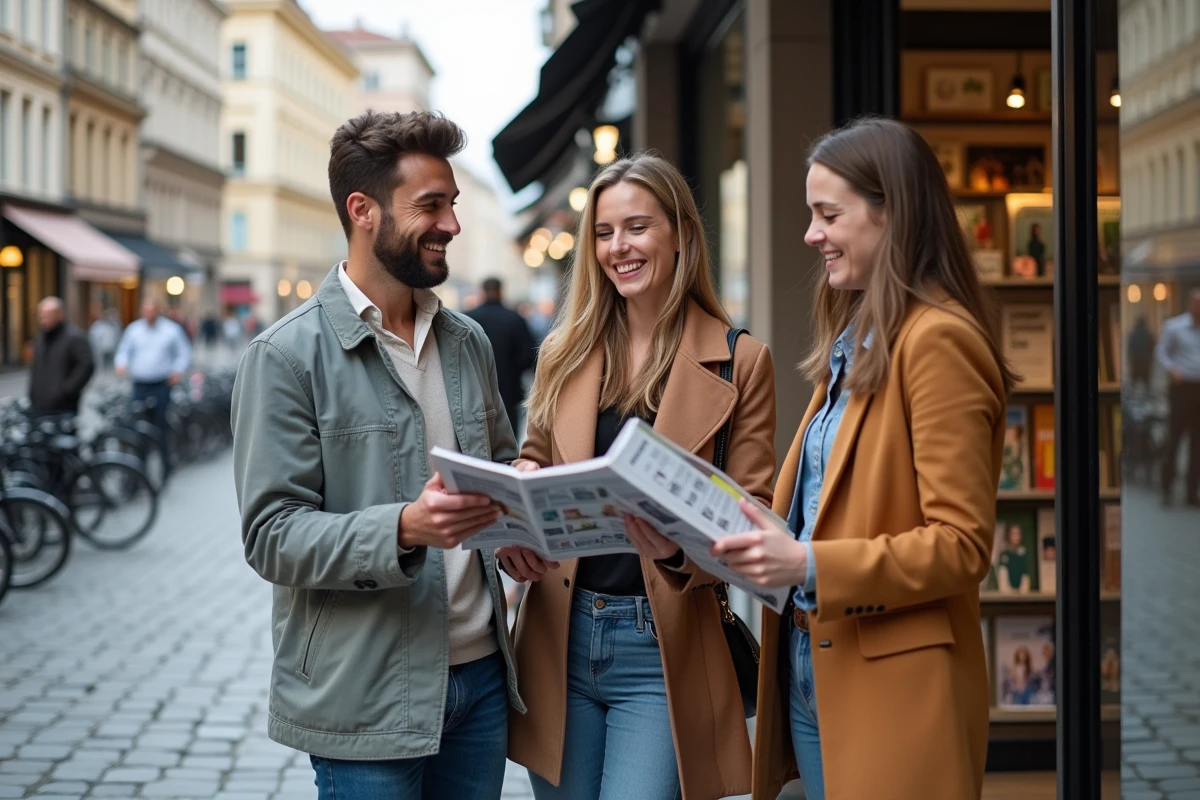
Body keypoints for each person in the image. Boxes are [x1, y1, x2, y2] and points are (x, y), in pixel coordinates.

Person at [711, 118, 1016, 800]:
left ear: (892, 214)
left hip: (893, 685)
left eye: (829, 215)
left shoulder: (937, 342)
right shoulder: (857, 338)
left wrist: (806, 564)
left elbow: (961, 546)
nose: (810, 234)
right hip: (814, 660)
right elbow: (824, 508)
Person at [231, 110, 524, 800]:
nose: (453, 224)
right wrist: (403, 528)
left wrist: (524, 508)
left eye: (453, 203)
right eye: (431, 205)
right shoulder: (285, 355)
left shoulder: (467, 342)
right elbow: (271, 536)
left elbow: (499, 471)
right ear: (363, 211)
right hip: (364, 695)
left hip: (482, 680)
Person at [499, 153, 777, 800]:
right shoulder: (563, 352)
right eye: (603, 232)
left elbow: (757, 515)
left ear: (681, 234)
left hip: (662, 647)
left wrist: (679, 546)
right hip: (558, 635)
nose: (617, 246)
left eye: (637, 227)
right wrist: (518, 510)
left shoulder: (741, 361)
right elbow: (535, 459)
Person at [115, 299, 192, 455]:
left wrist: (177, 370)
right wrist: (121, 364)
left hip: (161, 383)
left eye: (152, 310)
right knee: (139, 421)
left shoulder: (171, 329)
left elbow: (184, 352)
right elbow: (123, 350)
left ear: (158, 311)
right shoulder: (134, 329)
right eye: (147, 310)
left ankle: (164, 456)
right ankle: (142, 455)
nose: (149, 314)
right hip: (140, 384)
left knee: (160, 421)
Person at [465, 276, 537, 432]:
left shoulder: (468, 318)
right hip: (508, 390)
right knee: (507, 435)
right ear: (500, 291)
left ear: (483, 292)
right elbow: (528, 355)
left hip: (474, 391)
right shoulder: (515, 319)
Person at [1155, 286, 1200, 507]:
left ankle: (1192, 492)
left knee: (1197, 443)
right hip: (1182, 388)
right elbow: (1161, 352)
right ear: (1190, 304)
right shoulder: (1175, 327)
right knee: (1174, 438)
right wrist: (1172, 370)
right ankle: (1167, 488)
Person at [28, 297, 95, 417]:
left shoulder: (74, 338)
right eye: (41, 315)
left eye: (48, 315)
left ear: (60, 315)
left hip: (63, 408)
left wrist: (66, 391)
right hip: (38, 406)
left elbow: (86, 365)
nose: (43, 319)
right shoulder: (41, 339)